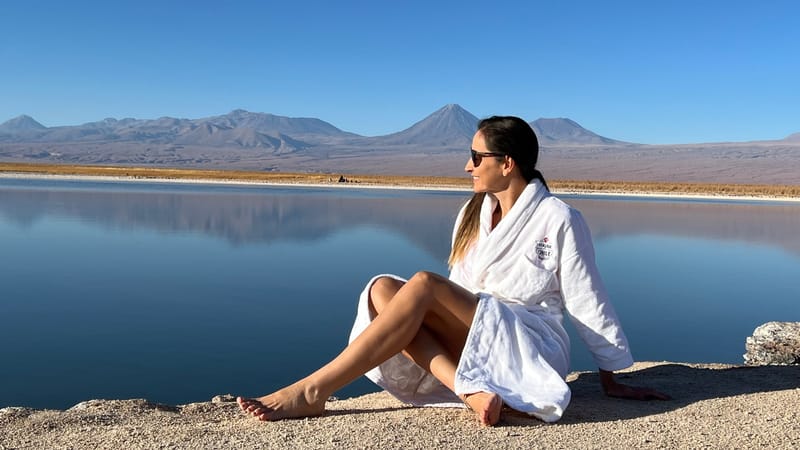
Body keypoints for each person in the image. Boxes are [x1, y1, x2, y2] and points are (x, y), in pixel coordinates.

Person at [238, 115, 668, 426]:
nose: (468, 166)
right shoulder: (472, 211)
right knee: (384, 289)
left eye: (476, 157)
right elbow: (458, 291)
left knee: (423, 284)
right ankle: (470, 391)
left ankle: (313, 391)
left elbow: (586, 296)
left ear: (507, 163)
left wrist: (613, 375)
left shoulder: (558, 217)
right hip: (475, 334)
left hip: (528, 342)